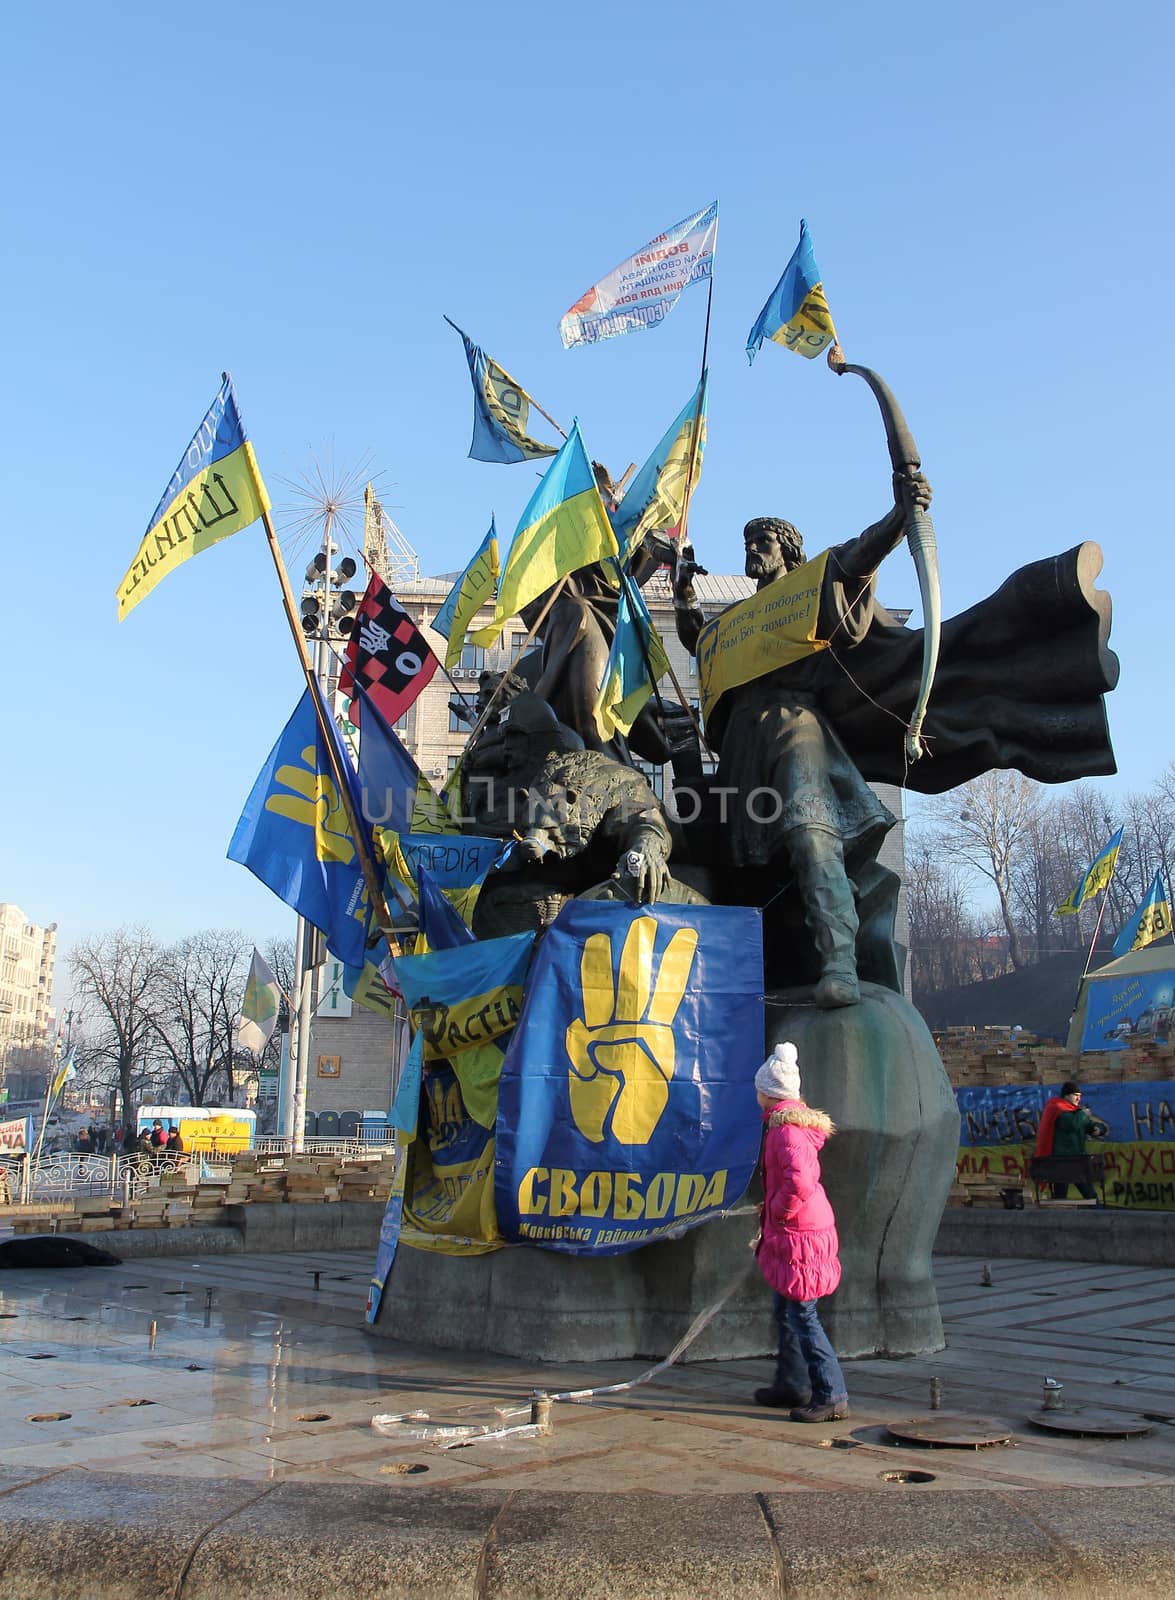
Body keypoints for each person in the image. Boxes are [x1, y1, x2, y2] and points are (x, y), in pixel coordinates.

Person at [752, 1041, 850, 1423]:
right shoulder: (788, 1125)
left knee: (803, 1314)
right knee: (788, 1307)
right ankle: (790, 1382)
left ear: (770, 1092)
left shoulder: (785, 1132)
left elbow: (800, 1182)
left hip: (799, 1233)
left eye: (759, 1088)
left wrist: (778, 1210)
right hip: (802, 1229)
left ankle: (831, 1393)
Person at [1035, 1081, 1109, 1199]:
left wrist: (1096, 1130)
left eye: (1080, 1096)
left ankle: (1096, 1213)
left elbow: (1087, 1125)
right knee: (1063, 1195)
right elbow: (1072, 1124)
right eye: (1076, 1095)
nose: (1079, 1099)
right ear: (1066, 1095)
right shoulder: (1057, 1108)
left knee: (1088, 1194)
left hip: (1076, 1160)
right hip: (1061, 1160)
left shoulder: (1074, 1111)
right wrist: (1083, 1113)